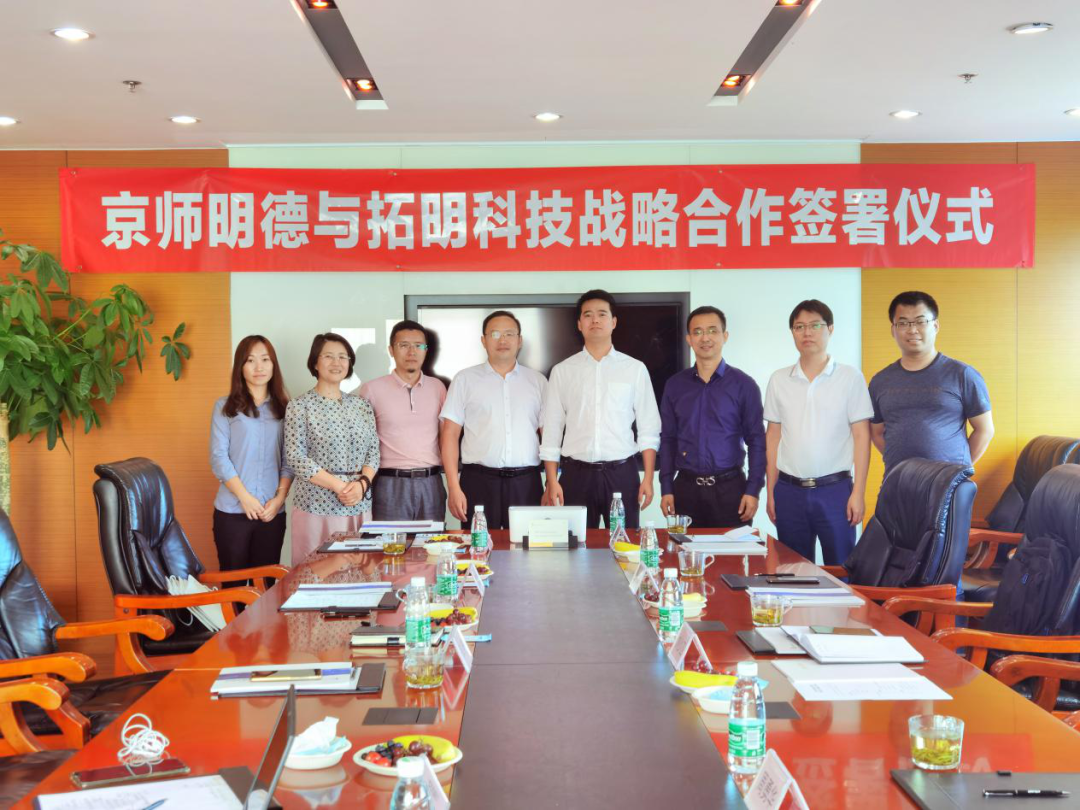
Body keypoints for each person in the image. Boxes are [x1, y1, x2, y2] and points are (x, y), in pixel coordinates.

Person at [540, 290, 661, 529]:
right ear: (579, 324)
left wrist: (648, 478)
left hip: (622, 474)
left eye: (602, 314)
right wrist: (552, 481)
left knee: (625, 544)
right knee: (576, 546)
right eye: (588, 315)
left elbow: (649, 428)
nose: (595, 320)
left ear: (613, 322)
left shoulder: (634, 369)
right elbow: (552, 430)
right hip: (576, 475)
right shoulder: (562, 371)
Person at [763, 301, 873, 565]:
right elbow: (773, 437)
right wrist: (771, 492)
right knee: (792, 571)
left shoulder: (850, 377)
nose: (807, 332)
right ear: (792, 332)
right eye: (799, 327)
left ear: (830, 329)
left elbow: (862, 436)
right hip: (789, 491)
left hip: (835, 491)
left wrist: (858, 493)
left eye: (815, 325)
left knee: (842, 568)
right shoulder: (779, 379)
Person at [659, 306, 764, 529]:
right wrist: (666, 487)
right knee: (683, 550)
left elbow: (756, 440)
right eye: (697, 332)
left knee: (733, 552)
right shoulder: (675, 385)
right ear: (689, 339)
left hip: (731, 491)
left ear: (725, 336)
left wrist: (753, 490)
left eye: (712, 330)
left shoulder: (744, 385)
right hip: (685, 491)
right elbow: (668, 439)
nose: (705, 338)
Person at [440, 310, 547, 530]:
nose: (502, 340)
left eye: (509, 334)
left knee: (527, 546)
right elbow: (449, 434)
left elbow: (548, 434)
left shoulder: (537, 381)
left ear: (519, 340)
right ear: (483, 340)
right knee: (478, 546)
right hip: (478, 482)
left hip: (527, 483)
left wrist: (552, 482)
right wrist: (453, 486)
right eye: (495, 334)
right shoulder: (465, 379)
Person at [869, 291, 994, 476]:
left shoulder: (962, 374)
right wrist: (903, 467)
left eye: (920, 321)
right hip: (898, 482)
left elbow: (984, 430)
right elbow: (877, 433)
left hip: (949, 485)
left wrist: (957, 471)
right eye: (903, 323)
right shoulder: (880, 381)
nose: (912, 330)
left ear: (935, 326)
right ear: (893, 330)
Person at [285, 333, 379, 563]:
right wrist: (340, 487)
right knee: (316, 572)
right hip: (316, 505)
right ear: (315, 363)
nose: (337, 362)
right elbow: (295, 457)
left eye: (343, 357)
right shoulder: (299, 406)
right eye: (328, 356)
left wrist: (362, 485)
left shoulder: (362, 406)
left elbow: (373, 452)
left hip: (358, 502)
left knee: (359, 571)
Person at [209, 335, 293, 577]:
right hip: (232, 511)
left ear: (273, 365)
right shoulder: (224, 407)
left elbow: (289, 461)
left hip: (271, 512)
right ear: (240, 366)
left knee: (266, 586)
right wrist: (244, 498)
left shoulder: (286, 408)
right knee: (233, 587)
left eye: (265, 359)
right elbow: (218, 457)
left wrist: (279, 500)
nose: (259, 367)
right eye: (250, 360)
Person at [359, 320, 448, 522]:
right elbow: (363, 444)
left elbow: (446, 437)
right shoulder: (371, 389)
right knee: (389, 543)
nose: (411, 352)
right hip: (389, 483)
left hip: (431, 482)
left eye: (418, 345)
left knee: (432, 542)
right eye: (404, 345)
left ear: (426, 350)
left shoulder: (438, 388)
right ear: (391, 350)